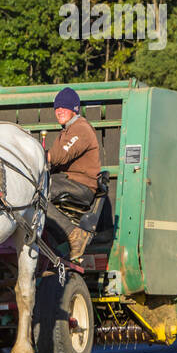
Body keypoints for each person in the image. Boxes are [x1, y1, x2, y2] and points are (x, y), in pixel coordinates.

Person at [44, 87, 101, 260]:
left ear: (75, 109)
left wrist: (37, 155)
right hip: (67, 181)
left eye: (64, 107)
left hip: (81, 186)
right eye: (56, 107)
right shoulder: (66, 131)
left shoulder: (81, 129)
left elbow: (58, 156)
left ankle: (74, 234)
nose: (59, 110)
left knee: (37, 194)